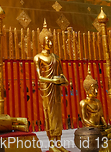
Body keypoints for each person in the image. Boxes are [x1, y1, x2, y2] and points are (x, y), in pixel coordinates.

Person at [34, 20, 68, 152]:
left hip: (56, 89)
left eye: (51, 40)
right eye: (47, 40)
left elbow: (62, 75)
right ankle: (51, 144)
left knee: (58, 115)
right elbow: (40, 77)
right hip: (47, 89)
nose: (50, 43)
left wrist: (63, 81)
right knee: (48, 115)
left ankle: (59, 143)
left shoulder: (56, 57)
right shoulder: (38, 58)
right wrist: (53, 81)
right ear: (42, 42)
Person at [80, 66, 111, 139]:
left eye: (97, 89)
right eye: (94, 89)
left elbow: (101, 116)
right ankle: (105, 136)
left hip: (100, 127)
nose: (96, 91)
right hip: (91, 128)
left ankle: (106, 136)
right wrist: (95, 126)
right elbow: (84, 119)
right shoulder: (84, 102)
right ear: (87, 90)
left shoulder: (98, 102)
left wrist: (104, 124)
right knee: (92, 134)